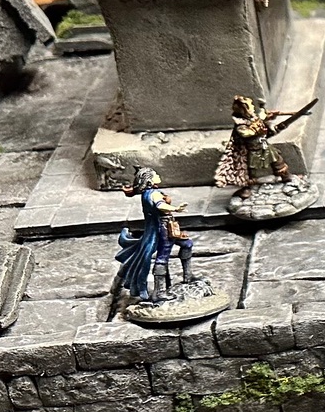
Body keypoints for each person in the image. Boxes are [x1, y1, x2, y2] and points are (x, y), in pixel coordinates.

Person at [114, 168, 197, 303]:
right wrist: (176, 209)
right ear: (149, 181)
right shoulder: (153, 194)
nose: (158, 175)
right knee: (162, 257)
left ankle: (188, 276)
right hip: (163, 229)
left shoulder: (148, 193)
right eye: (155, 175)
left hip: (168, 226)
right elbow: (160, 206)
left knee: (187, 244)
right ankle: (159, 292)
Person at [214, 96, 301, 188]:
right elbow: (247, 133)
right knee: (251, 172)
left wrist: (269, 118)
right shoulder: (241, 125)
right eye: (250, 105)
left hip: (264, 146)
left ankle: (286, 177)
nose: (252, 106)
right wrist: (259, 126)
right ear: (245, 110)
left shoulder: (254, 118)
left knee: (278, 161)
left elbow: (263, 119)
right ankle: (246, 188)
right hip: (253, 150)